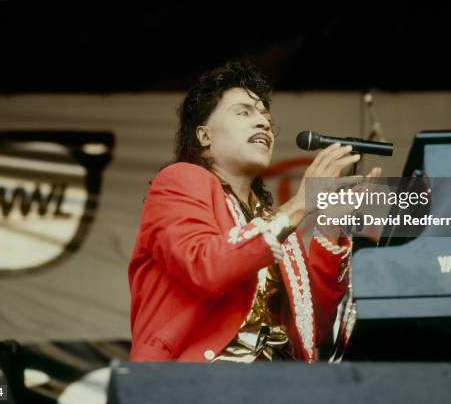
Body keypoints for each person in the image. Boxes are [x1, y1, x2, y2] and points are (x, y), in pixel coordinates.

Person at [128, 61, 375, 362]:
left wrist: (330, 225)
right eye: (244, 112)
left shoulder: (281, 227)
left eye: (266, 118)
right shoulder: (179, 180)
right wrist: (300, 204)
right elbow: (205, 267)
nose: (263, 123)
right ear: (204, 136)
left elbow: (315, 331)